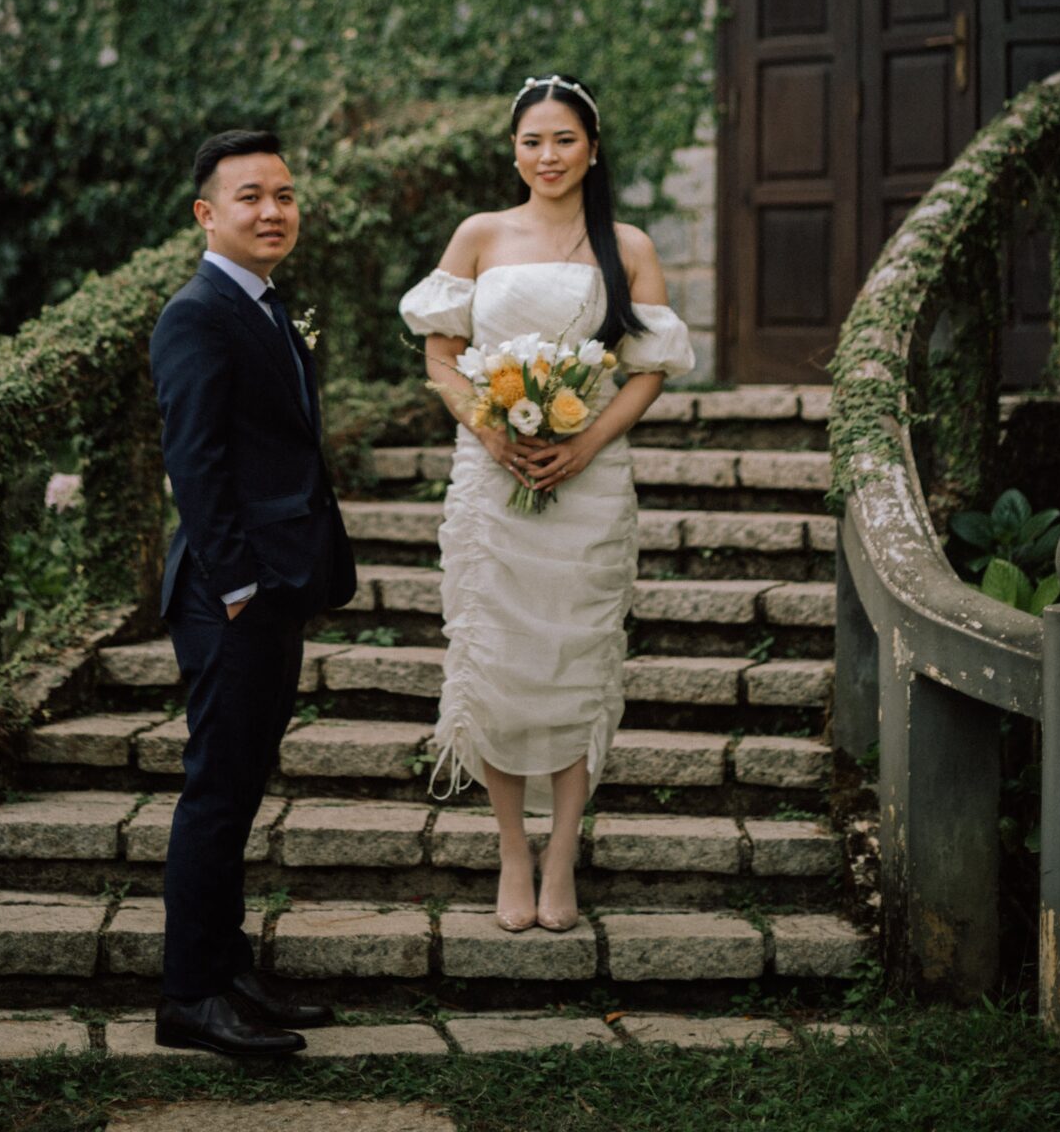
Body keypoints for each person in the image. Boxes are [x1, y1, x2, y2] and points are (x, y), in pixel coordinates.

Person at [399, 76, 694, 934]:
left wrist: (584, 442)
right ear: (514, 149)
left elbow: (646, 369)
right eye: (532, 141)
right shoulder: (479, 234)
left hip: (589, 474)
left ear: (591, 150)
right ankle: (511, 853)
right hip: (490, 471)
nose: (547, 156)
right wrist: (492, 435)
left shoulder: (627, 245)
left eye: (564, 140)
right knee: (498, 657)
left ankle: (561, 849)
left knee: (573, 658)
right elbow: (442, 360)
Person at [150, 127, 357, 1056]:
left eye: (284, 194)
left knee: (238, 789)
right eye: (250, 197)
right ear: (207, 214)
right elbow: (193, 462)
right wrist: (235, 585)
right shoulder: (195, 313)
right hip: (230, 593)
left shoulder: (267, 306)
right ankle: (189, 998)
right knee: (215, 792)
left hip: (275, 586)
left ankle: (229, 971)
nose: (273, 211)